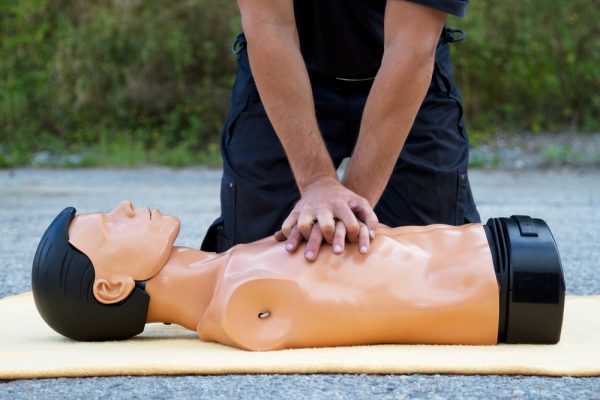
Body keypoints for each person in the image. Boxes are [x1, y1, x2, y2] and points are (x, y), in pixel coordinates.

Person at [202, 0, 480, 263]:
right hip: (287, 68)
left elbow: (411, 44)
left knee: (433, 263)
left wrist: (349, 216)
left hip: (405, 70)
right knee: (254, 260)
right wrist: (316, 181)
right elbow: (269, 25)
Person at [33, 201, 503, 350]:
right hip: (497, 275)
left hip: (485, 257)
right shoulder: (242, 304)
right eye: (110, 224)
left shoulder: (232, 272)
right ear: (111, 288)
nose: (126, 208)